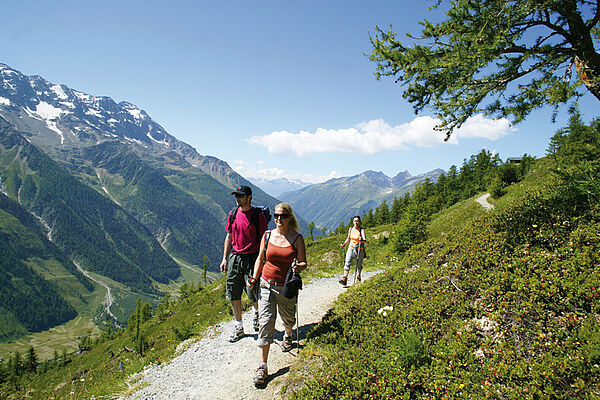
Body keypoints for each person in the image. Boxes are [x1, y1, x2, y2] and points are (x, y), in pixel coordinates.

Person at [247, 203, 307, 386]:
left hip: (286, 286)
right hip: (266, 285)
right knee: (265, 323)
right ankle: (262, 366)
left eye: (283, 216)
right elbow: (260, 258)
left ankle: (288, 334)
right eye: (276, 216)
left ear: (289, 217)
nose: (279, 219)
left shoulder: (297, 239)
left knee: (288, 318)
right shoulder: (267, 235)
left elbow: (304, 262)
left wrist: (299, 267)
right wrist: (254, 279)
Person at [219, 185, 268, 342]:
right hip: (235, 256)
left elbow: (263, 239)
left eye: (241, 196)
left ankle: (256, 314)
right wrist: (225, 258)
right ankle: (239, 326)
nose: (237, 199)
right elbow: (229, 236)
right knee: (233, 291)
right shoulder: (233, 214)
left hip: (252, 258)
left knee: (252, 291)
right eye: (236, 196)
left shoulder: (257, 215)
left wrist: (262, 259)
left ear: (249, 197)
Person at [339, 215, 366, 285]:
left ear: (360, 222)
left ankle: (358, 277)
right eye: (355, 221)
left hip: (359, 249)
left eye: (357, 221)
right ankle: (344, 278)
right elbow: (348, 238)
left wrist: (361, 239)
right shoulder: (351, 229)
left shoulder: (361, 230)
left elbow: (365, 240)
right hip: (351, 248)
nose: (356, 222)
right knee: (347, 262)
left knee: (359, 264)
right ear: (353, 222)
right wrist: (344, 244)